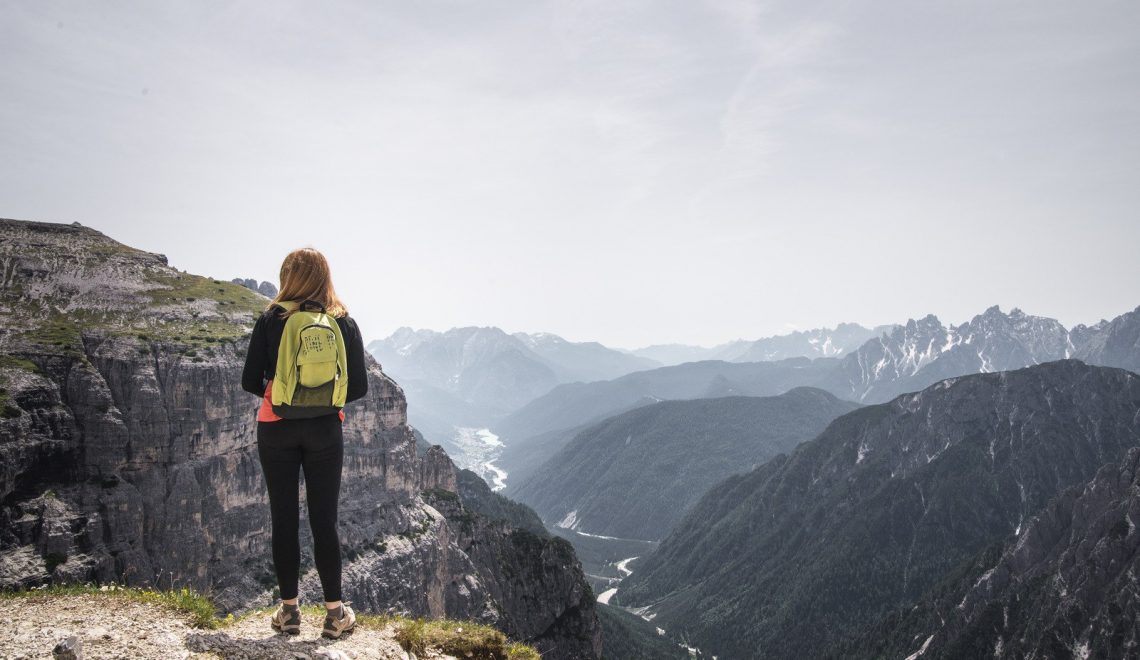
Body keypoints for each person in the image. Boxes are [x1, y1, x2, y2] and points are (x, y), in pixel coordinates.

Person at [241, 247, 368, 639]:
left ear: (287, 278)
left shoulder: (271, 319)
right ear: (325, 277)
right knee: (323, 519)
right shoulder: (342, 322)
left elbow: (249, 381)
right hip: (325, 432)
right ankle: (334, 615)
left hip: (276, 428)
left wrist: (280, 392)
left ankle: (289, 612)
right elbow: (358, 387)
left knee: (284, 518)